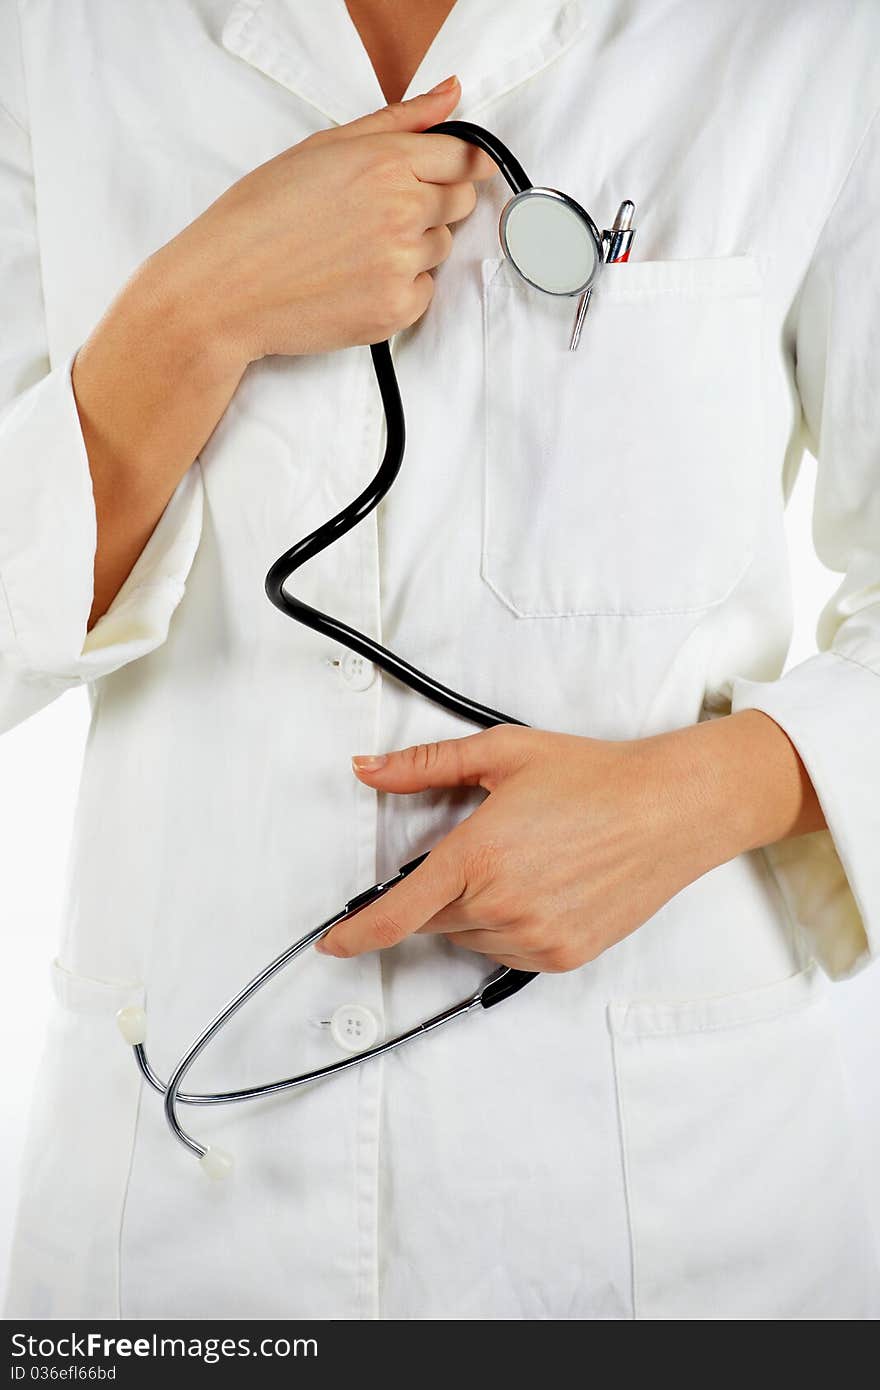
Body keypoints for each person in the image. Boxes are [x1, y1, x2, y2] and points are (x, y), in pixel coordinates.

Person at [1, 0, 878, 1321]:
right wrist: (190, 317)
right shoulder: (54, 37)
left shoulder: (810, 35)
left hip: (684, 1222)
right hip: (183, 1224)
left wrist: (700, 798)